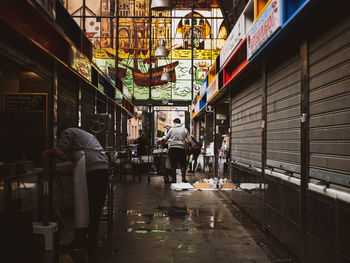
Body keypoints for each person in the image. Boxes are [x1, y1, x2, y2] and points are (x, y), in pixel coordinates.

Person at [43, 127, 109, 251]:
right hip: (102, 169)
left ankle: (80, 240)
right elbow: (78, 167)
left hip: (92, 171)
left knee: (83, 205)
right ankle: (90, 240)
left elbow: (59, 152)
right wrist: (59, 171)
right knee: (95, 207)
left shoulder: (67, 132)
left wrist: (45, 153)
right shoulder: (83, 137)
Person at [162, 118, 191, 183]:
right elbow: (189, 140)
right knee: (183, 164)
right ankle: (183, 178)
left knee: (173, 164)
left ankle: (174, 179)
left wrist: (163, 143)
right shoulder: (185, 129)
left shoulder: (171, 129)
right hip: (182, 149)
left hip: (173, 149)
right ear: (180, 123)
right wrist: (187, 143)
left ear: (175, 122)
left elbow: (166, 138)